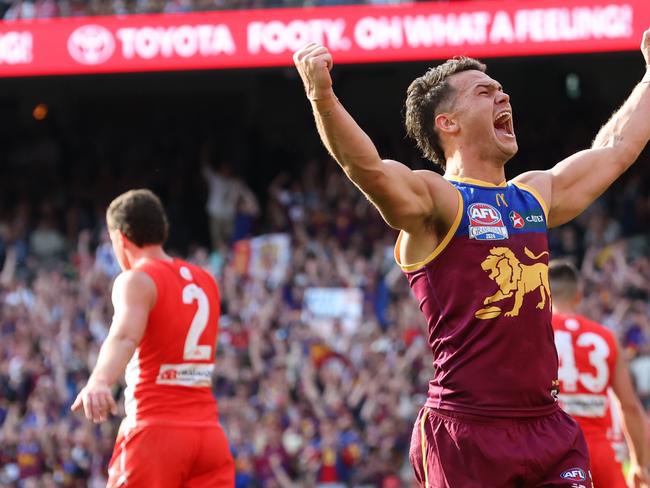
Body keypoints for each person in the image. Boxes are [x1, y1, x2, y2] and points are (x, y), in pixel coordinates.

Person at [293, 28, 650, 487]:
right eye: (485, 92)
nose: (503, 96)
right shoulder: (438, 200)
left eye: (502, 90)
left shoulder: (533, 196)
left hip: (548, 427)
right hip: (466, 430)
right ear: (448, 123)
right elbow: (370, 171)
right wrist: (321, 97)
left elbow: (616, 149)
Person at [71, 189, 234, 487]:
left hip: (156, 431)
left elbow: (124, 336)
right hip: (209, 436)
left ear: (120, 239)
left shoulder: (137, 280)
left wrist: (99, 380)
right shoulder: (206, 280)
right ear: (163, 229)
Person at [550, 259, 650, 488]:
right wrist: (639, 463)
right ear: (578, 296)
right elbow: (630, 406)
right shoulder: (605, 337)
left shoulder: (534, 333)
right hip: (599, 451)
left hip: (551, 449)